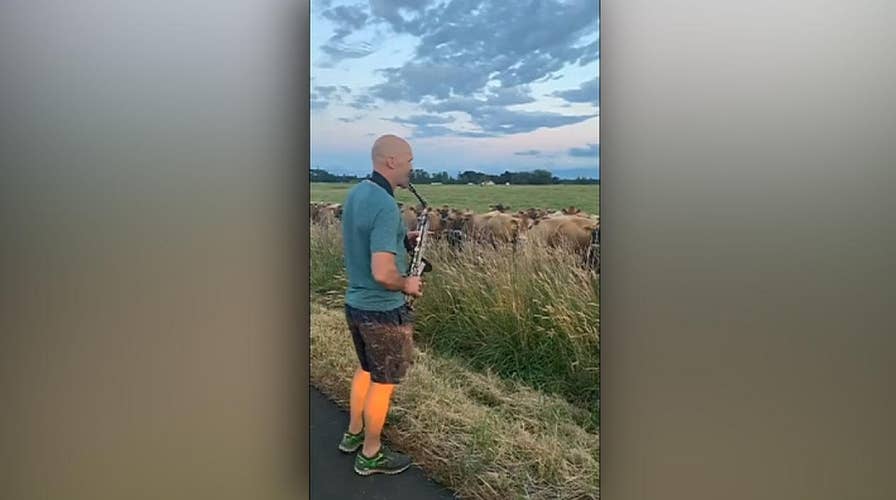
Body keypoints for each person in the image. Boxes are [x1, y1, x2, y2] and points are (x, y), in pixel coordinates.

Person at [337, 134, 424, 476]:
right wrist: (408, 284)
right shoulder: (387, 205)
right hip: (383, 309)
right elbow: (383, 272)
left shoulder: (359, 193)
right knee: (383, 382)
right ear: (391, 161)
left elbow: (367, 238)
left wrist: (403, 240)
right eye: (409, 161)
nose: (411, 168)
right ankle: (371, 454)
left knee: (366, 370)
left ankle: (353, 433)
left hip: (356, 303)